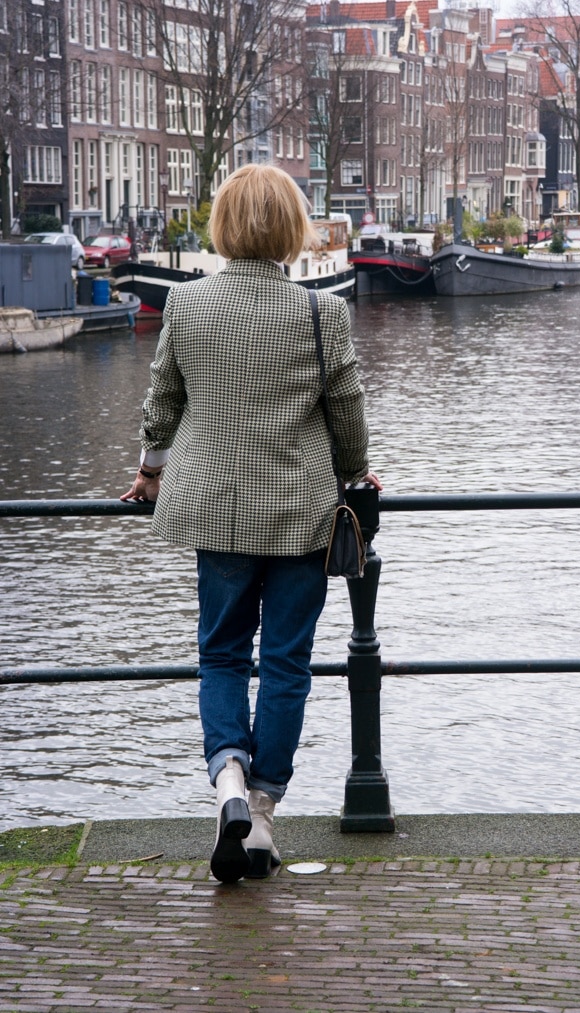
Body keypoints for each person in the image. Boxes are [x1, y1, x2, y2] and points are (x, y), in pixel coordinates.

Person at [121, 164, 381, 884]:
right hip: (300, 513)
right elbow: (347, 414)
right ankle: (262, 813)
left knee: (223, 654)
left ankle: (227, 780)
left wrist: (149, 469)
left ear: (224, 225)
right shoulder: (321, 313)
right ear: (292, 228)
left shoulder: (186, 304)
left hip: (215, 509)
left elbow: (163, 402)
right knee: (287, 663)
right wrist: (356, 470)